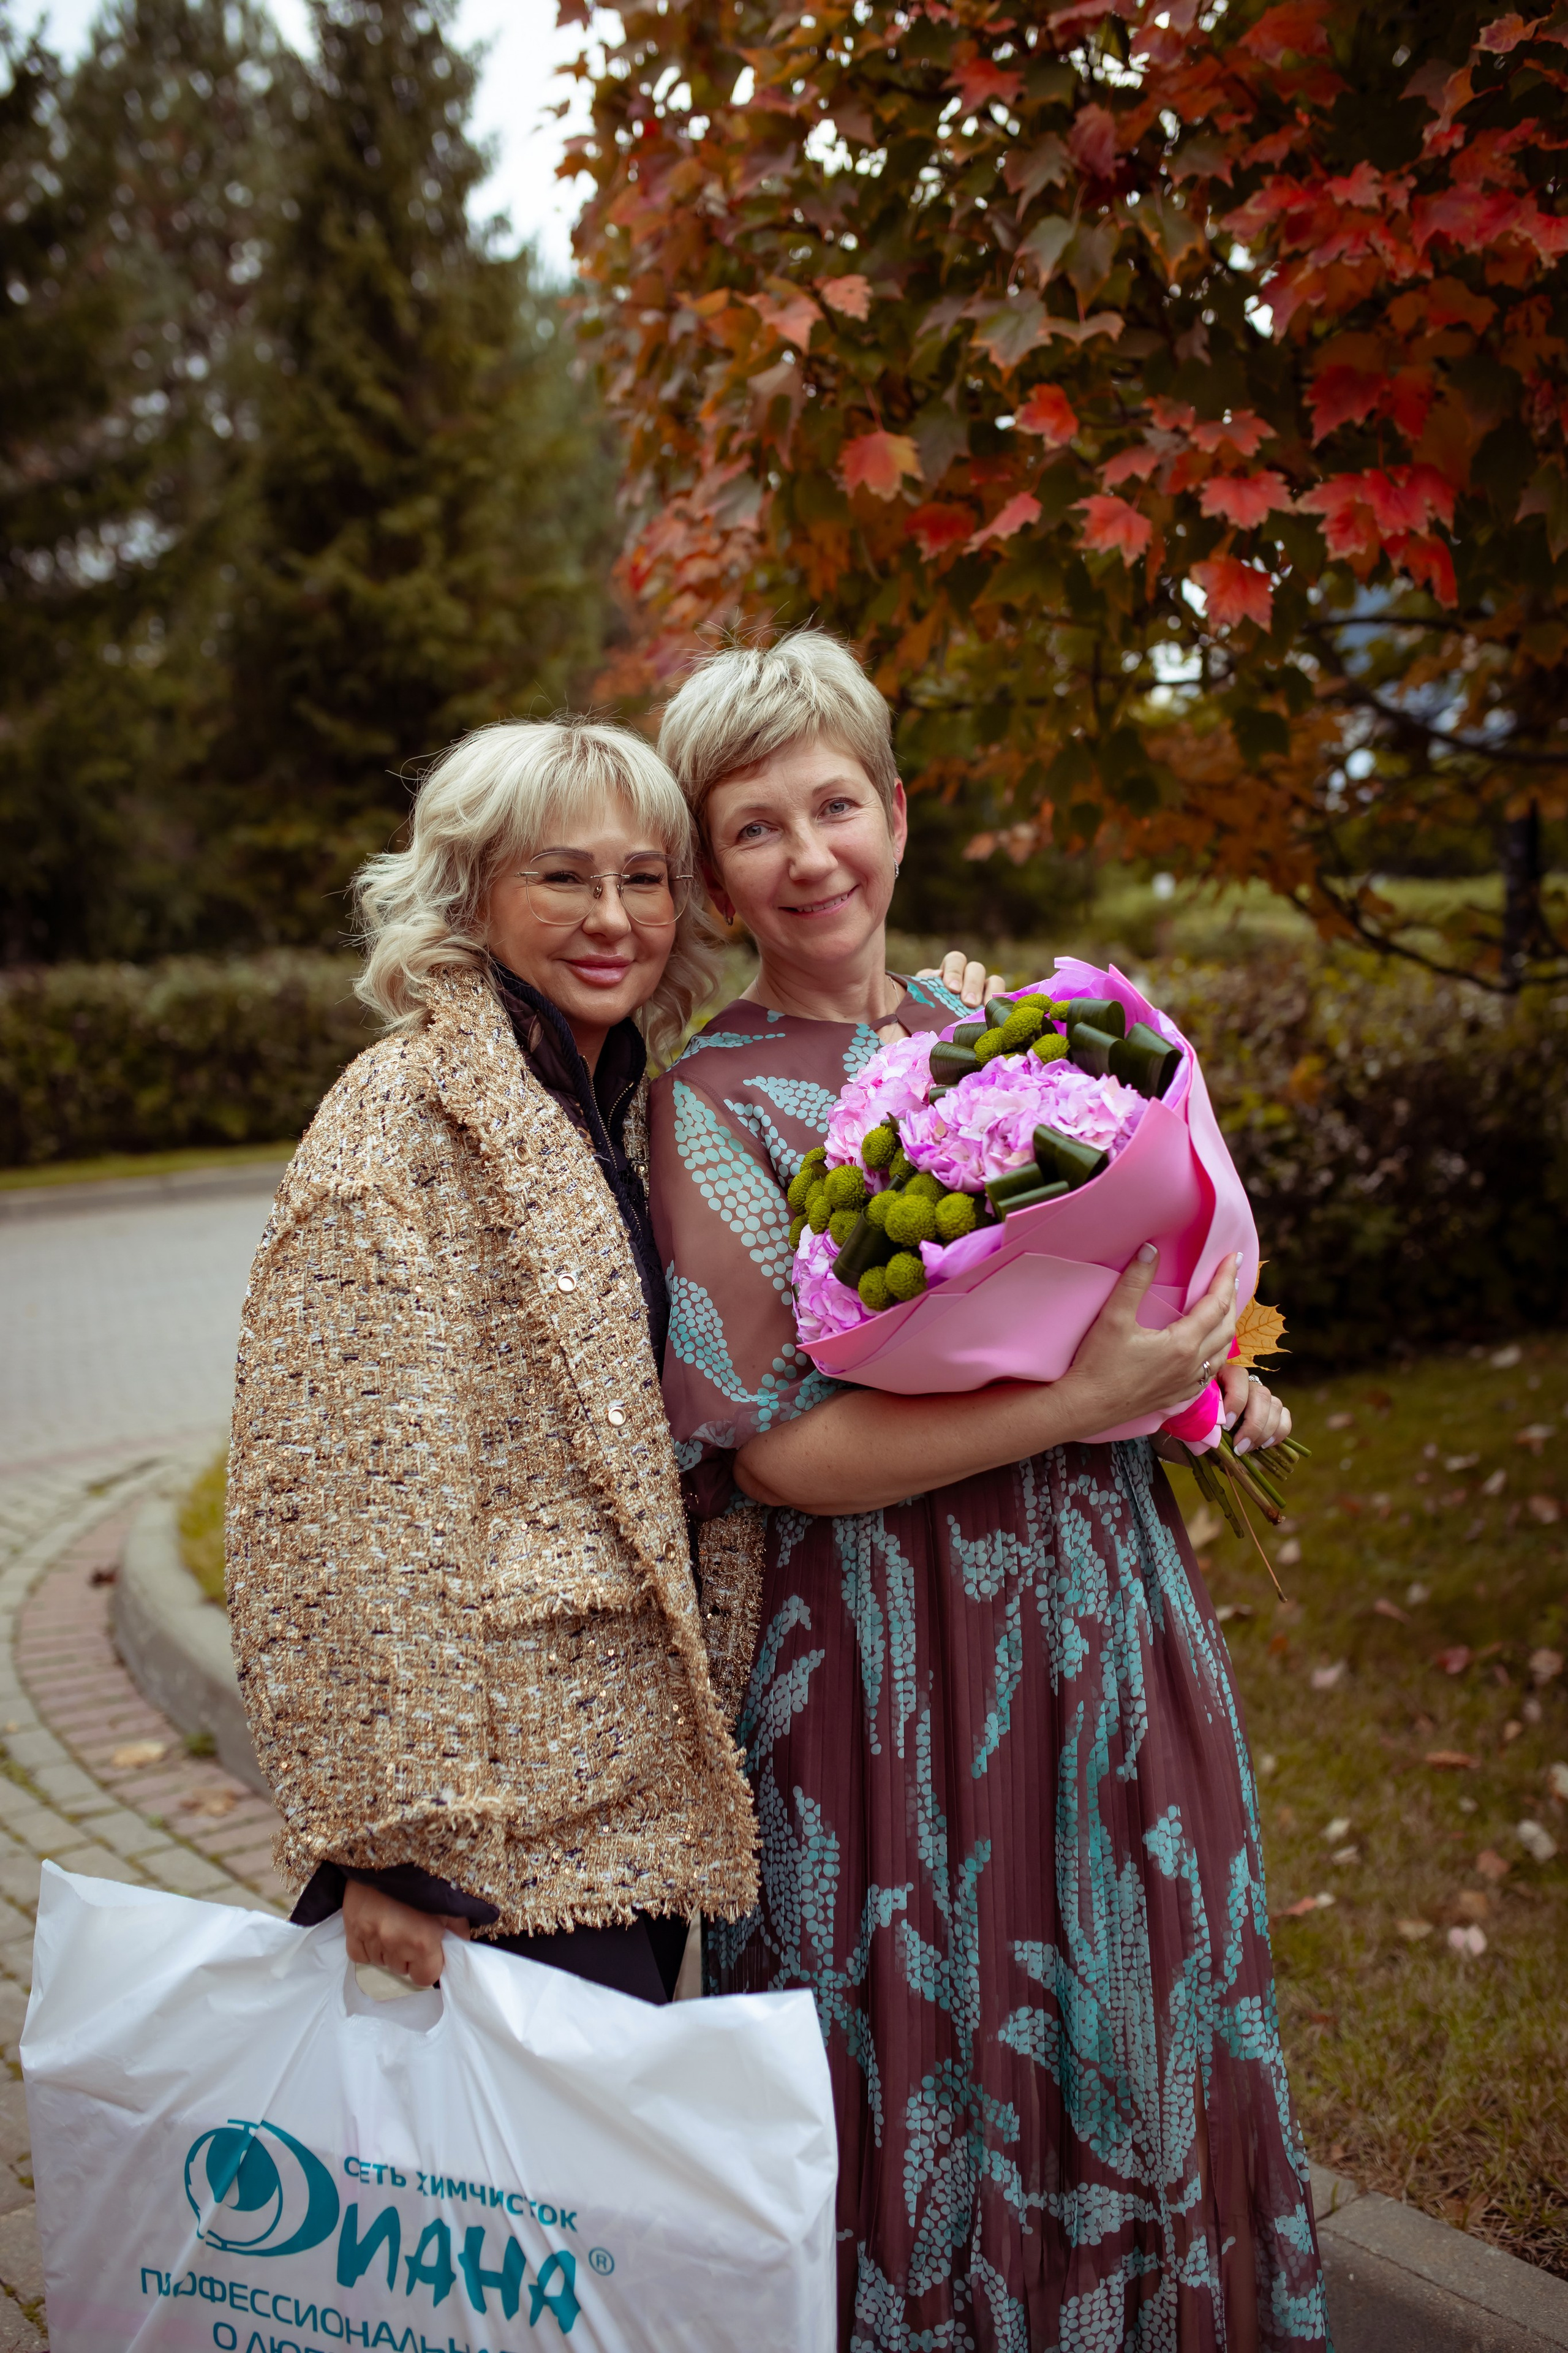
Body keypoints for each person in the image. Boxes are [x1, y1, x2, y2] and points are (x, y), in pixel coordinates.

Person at [648, 632, 1330, 2350]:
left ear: (895, 810)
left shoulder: (1009, 1037)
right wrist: (1085, 1398)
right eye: (753, 828)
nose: (809, 856)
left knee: (1133, 2003)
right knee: (923, 2055)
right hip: (884, 1663)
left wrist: (1196, 1384)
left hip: (1105, 1612)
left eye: (833, 806)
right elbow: (777, 1451)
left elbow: (1117, 1281)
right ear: (714, 879)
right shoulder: (706, 1106)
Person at [225, 719, 758, 2003]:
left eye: (643, 877)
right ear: (469, 894)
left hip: (641, 1777)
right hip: (500, 1813)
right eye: (561, 876)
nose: (611, 917)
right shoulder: (398, 1118)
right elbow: (337, 1498)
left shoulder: (627, 1102)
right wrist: (392, 1844)